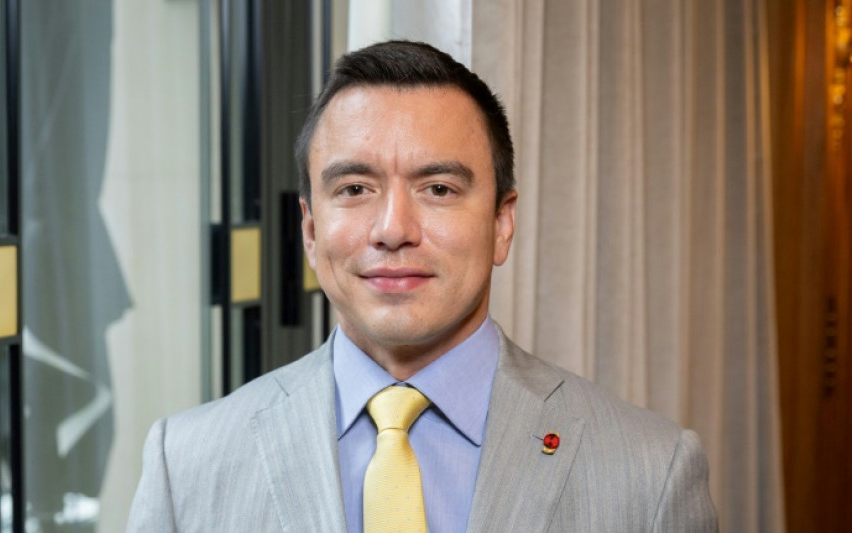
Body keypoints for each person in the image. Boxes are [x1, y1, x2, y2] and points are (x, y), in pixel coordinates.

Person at [127, 40, 717, 532]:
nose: (393, 230)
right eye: (355, 189)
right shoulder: (186, 466)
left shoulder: (650, 474)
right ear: (310, 231)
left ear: (501, 223)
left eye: (438, 189)